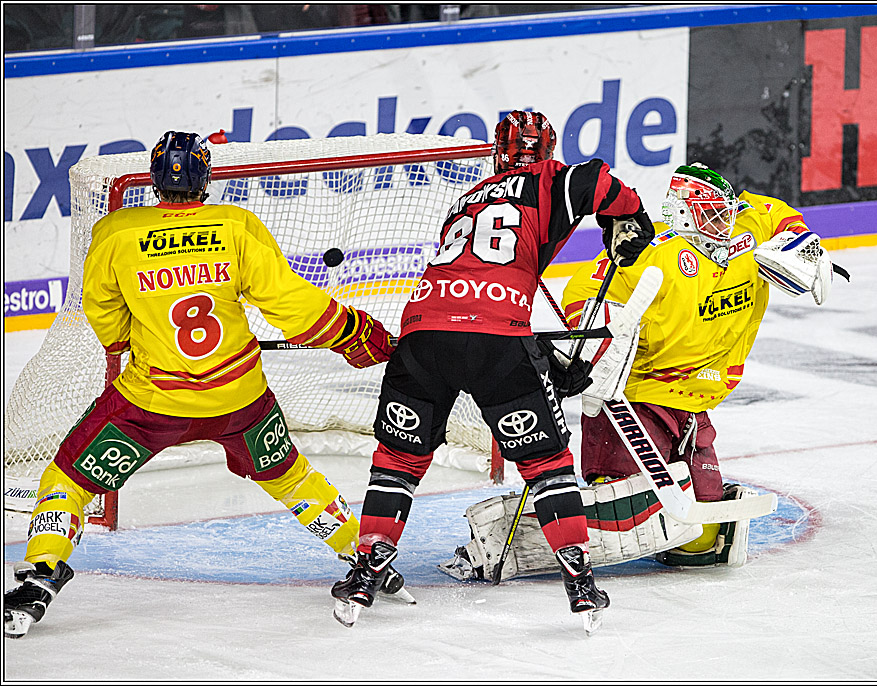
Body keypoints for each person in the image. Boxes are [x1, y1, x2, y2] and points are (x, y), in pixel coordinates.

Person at [3, 131, 398, 639]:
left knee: (71, 481)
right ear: (206, 175)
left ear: (152, 177)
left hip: (150, 406)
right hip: (241, 400)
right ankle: (366, 556)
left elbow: (103, 315)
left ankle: (42, 575)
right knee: (293, 480)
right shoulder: (236, 226)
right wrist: (355, 334)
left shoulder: (117, 232)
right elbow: (293, 305)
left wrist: (130, 339)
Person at [330, 110, 655, 630]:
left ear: (498, 152)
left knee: (397, 460)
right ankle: (581, 583)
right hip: (496, 340)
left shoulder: (465, 201)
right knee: (547, 464)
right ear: (545, 151)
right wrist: (631, 217)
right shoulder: (548, 180)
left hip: (422, 334)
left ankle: (368, 570)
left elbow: (477, 281)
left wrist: (542, 360)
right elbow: (595, 179)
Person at [562, 162, 846, 567]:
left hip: (695, 403)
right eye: (711, 215)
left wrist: (803, 243)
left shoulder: (743, 231)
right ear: (681, 213)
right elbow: (582, 290)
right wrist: (603, 334)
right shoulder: (652, 251)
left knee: (697, 542)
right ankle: (561, 526)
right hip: (637, 398)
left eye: (724, 212)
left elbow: (773, 212)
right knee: (627, 514)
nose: (723, 224)